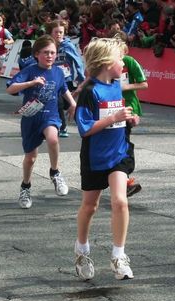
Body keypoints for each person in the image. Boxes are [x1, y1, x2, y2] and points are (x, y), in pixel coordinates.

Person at [73, 37, 139, 281]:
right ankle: (81, 250)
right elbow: (85, 128)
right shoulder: (89, 91)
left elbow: (115, 117)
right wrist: (113, 119)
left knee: (120, 201)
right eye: (119, 58)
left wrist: (127, 120)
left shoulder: (116, 85)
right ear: (105, 62)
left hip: (119, 153)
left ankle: (118, 256)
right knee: (90, 207)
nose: (123, 62)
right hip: (94, 156)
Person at [5, 35, 77, 209]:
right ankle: (26, 187)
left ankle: (55, 172)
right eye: (46, 53)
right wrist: (31, 83)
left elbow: (64, 89)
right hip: (31, 118)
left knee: (53, 139)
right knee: (30, 158)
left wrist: (73, 104)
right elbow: (10, 88)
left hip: (50, 115)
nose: (50, 56)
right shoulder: (29, 70)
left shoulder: (58, 72)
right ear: (37, 54)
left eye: (53, 53)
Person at [117, 32, 147, 197]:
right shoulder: (107, 63)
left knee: (123, 140)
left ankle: (124, 180)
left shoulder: (129, 62)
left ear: (125, 50)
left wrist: (123, 88)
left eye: (119, 51)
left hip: (128, 107)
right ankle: (121, 180)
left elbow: (144, 84)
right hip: (111, 109)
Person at [46, 20, 86, 138]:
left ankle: (83, 122)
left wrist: (81, 78)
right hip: (52, 80)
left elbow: (77, 61)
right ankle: (62, 127)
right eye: (56, 32)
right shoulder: (47, 45)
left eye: (61, 32)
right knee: (57, 102)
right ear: (50, 33)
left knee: (66, 105)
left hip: (66, 79)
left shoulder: (68, 45)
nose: (58, 34)